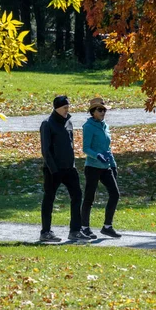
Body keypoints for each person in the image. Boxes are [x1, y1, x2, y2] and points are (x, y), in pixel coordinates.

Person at [39, 95, 91, 242]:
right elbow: (46, 150)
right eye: (64, 108)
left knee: (77, 195)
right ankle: (45, 232)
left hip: (69, 168)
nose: (67, 110)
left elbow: (71, 145)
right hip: (53, 170)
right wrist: (53, 170)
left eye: (68, 107)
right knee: (49, 198)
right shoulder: (47, 124)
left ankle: (75, 230)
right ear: (57, 108)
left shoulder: (69, 122)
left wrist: (72, 164)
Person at [81, 97, 122, 239]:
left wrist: (113, 164)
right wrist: (97, 155)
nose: (103, 112)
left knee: (115, 194)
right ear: (93, 112)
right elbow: (85, 148)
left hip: (106, 166)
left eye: (104, 109)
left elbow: (108, 148)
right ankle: (84, 227)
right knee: (89, 197)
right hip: (92, 166)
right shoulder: (88, 126)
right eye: (100, 109)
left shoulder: (105, 126)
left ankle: (107, 227)